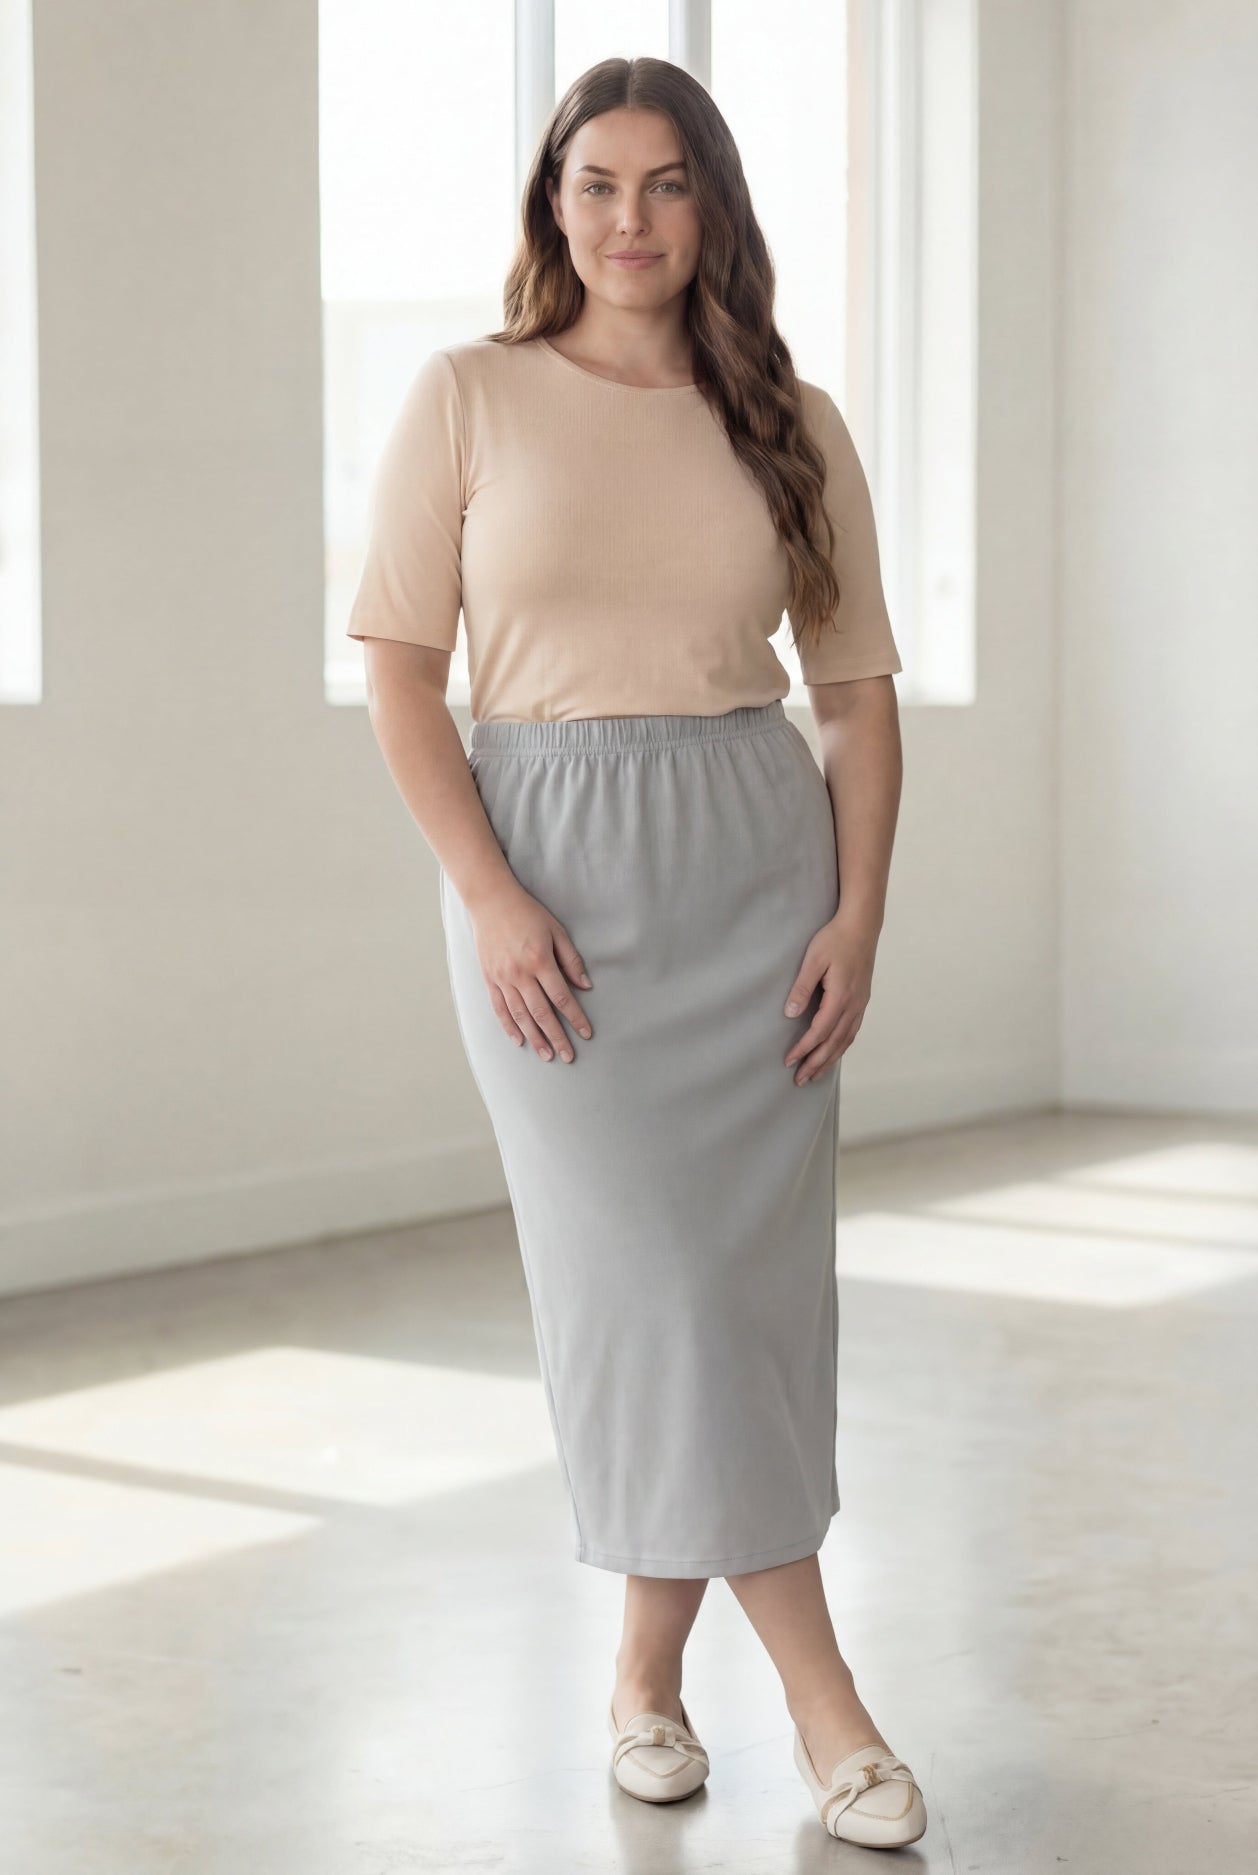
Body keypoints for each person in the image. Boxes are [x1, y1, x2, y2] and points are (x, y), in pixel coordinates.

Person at [346, 56, 926, 1853]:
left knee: (736, 1301)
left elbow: (854, 696)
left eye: (665, 185)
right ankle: (830, 1709)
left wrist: (856, 911)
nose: (627, 219)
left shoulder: (787, 417)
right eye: (593, 184)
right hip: (552, 892)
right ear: (550, 204)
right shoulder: (465, 398)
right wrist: (490, 895)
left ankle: (642, 1682)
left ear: (712, 207)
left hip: (753, 876)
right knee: (652, 1293)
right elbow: (394, 671)